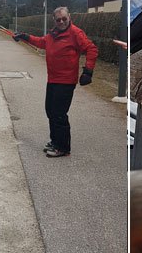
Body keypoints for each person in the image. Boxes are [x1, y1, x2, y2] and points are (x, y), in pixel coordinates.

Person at [8, 8, 97, 158]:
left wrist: (88, 71)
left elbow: (91, 49)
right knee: (50, 111)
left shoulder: (75, 33)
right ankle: (55, 141)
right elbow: (41, 42)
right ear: (54, 21)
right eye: (58, 20)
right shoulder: (53, 34)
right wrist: (24, 36)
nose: (61, 22)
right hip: (53, 79)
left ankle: (63, 148)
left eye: (64, 19)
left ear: (69, 17)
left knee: (59, 114)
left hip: (66, 81)